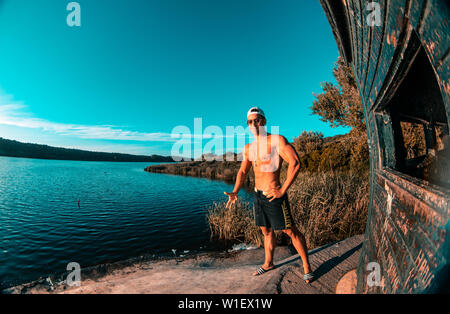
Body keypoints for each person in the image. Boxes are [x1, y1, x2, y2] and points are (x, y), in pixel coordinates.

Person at [224, 107, 314, 283]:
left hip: (274, 196)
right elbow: (242, 171)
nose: (253, 124)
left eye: (257, 120)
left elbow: (295, 162)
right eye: (250, 121)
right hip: (258, 196)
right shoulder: (249, 148)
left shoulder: (276, 140)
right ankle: (268, 263)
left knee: (290, 231)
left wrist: (283, 189)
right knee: (265, 231)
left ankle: (307, 267)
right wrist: (235, 190)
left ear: (263, 121)